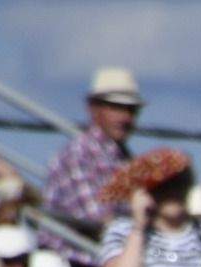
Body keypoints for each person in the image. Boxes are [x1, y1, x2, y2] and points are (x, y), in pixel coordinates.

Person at [45, 67, 143, 231]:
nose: (125, 117)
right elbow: (98, 219)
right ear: (93, 109)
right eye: (116, 107)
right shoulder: (79, 155)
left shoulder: (125, 159)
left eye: (131, 110)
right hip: (76, 254)